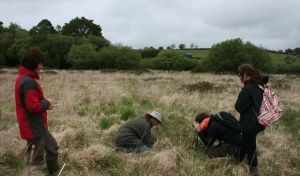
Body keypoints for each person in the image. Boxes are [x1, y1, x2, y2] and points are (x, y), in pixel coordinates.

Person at [15, 48, 59, 175]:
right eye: (40, 63)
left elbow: (29, 103)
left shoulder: (23, 78)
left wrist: (44, 105)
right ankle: (41, 172)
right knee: (44, 153)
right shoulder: (28, 82)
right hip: (33, 125)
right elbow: (32, 107)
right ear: (34, 63)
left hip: (32, 123)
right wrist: (47, 102)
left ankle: (46, 171)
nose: (42, 66)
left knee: (45, 150)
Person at [233, 64, 268, 176]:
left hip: (250, 123)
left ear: (247, 75)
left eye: (240, 76)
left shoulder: (248, 89)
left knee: (250, 146)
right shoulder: (261, 85)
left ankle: (254, 171)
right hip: (260, 121)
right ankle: (237, 159)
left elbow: (239, 107)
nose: (240, 79)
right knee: (245, 139)